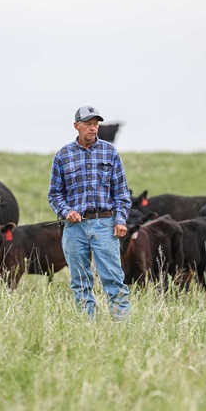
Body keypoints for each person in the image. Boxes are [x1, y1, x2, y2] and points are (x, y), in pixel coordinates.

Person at [48, 105, 131, 320]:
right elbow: (55, 194)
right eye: (88, 124)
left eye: (95, 125)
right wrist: (66, 212)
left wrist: (120, 220)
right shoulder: (63, 155)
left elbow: (121, 193)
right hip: (74, 227)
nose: (93, 129)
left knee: (113, 279)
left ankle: (121, 327)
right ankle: (88, 327)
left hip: (105, 224)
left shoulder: (110, 152)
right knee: (80, 281)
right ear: (77, 126)